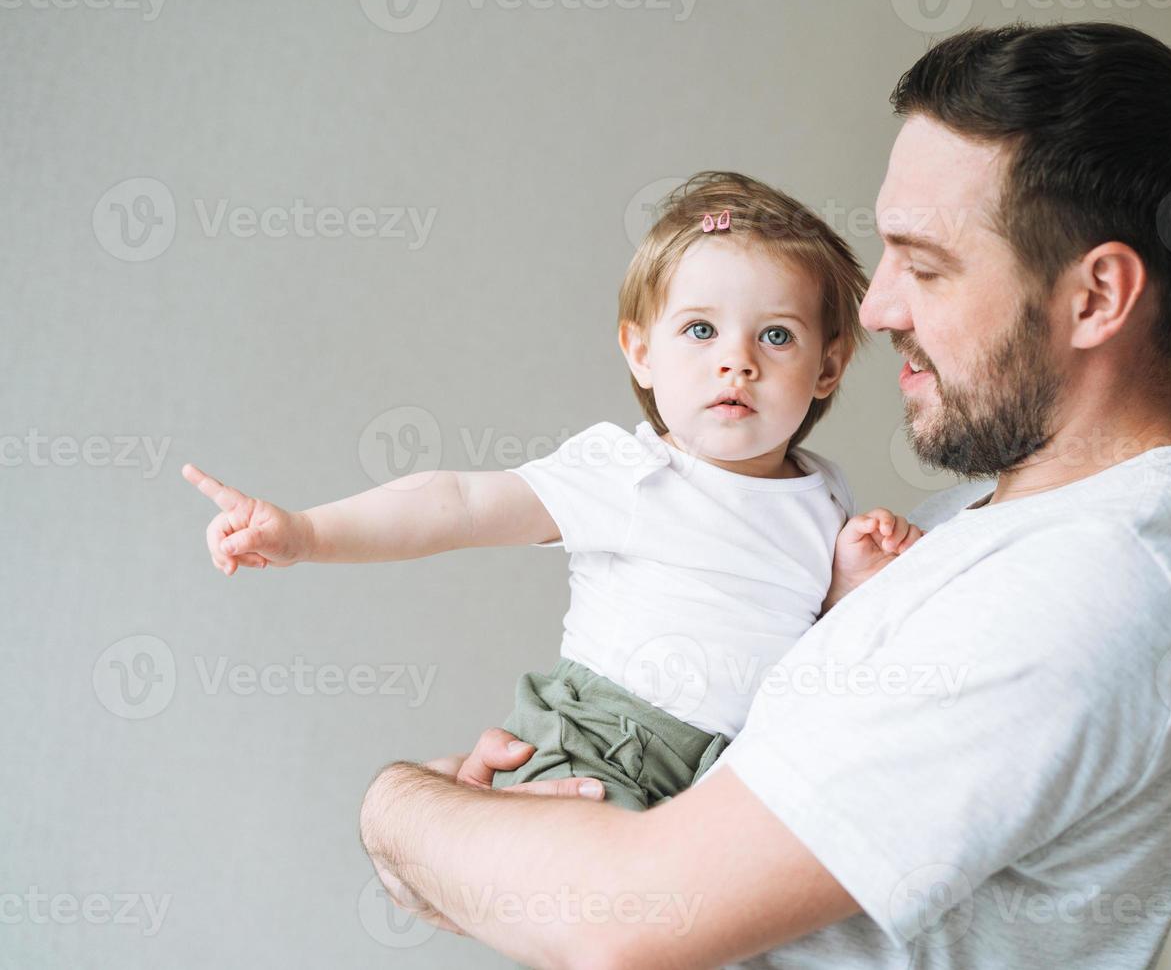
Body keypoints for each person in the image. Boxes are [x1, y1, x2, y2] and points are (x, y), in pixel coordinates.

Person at [358, 21, 1171, 969]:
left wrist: (399, 810)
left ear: (1096, 298)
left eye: (929, 265)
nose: (875, 310)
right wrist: (500, 850)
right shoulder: (961, 535)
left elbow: (620, 920)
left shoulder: (1085, 585)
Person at [181, 171, 924, 814]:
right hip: (602, 747)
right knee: (606, 911)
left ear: (827, 370)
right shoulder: (629, 474)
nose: (736, 361)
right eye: (700, 330)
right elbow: (457, 504)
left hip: (729, 770)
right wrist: (308, 533)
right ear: (640, 352)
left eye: (777, 336)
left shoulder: (822, 494)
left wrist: (849, 581)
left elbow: (804, 634)